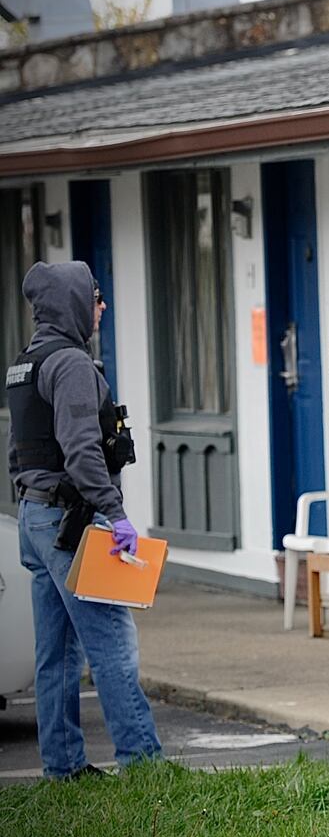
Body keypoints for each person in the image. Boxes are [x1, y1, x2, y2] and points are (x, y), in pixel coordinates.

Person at [7, 260, 161, 778]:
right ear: (74, 303)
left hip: (36, 516)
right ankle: (143, 763)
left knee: (56, 652)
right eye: (95, 297)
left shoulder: (24, 365)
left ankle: (64, 767)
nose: (101, 307)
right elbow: (81, 452)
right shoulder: (71, 365)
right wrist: (115, 514)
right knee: (111, 641)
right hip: (71, 522)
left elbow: (18, 450)